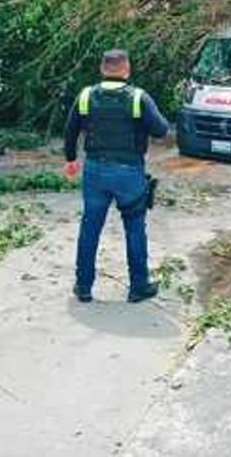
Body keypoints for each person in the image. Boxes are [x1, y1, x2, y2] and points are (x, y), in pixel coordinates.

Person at [63, 49, 170, 303]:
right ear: (127, 70)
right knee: (135, 227)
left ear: (102, 69)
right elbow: (161, 130)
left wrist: (71, 159)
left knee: (90, 226)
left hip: (95, 171)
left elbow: (70, 130)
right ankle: (138, 287)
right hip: (129, 173)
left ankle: (83, 286)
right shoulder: (139, 98)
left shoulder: (86, 95)